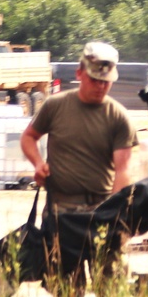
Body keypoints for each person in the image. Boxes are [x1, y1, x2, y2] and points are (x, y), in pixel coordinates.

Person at [21, 42, 136, 214]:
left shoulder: (119, 117)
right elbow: (28, 137)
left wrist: (112, 214)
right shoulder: (55, 105)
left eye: (106, 82)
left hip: (98, 209)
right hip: (58, 210)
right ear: (79, 73)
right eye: (95, 80)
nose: (100, 87)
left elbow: (122, 171)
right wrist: (38, 163)